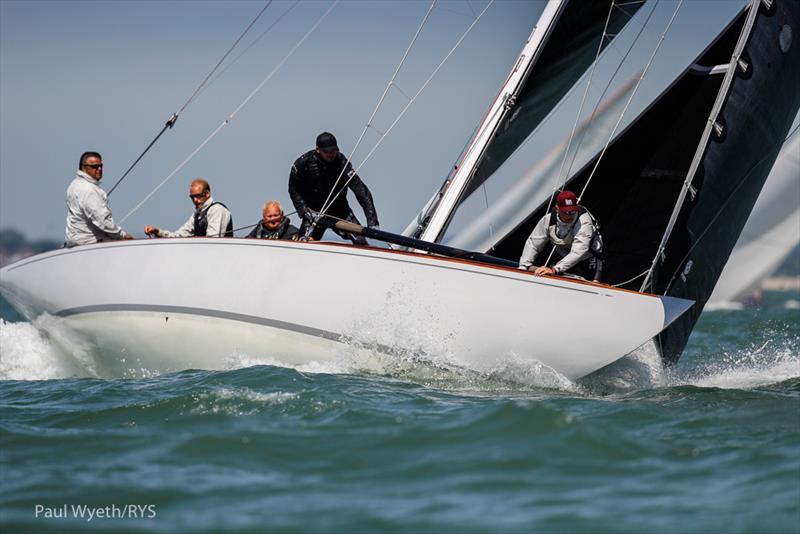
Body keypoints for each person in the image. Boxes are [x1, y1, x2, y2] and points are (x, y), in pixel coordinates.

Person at [288, 132, 379, 244]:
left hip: (340, 211)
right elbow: (293, 189)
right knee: (304, 243)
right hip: (314, 213)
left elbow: (361, 190)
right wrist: (303, 210)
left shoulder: (341, 162)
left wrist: (372, 222)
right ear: (318, 149)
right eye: (327, 152)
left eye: (334, 151)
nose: (331, 154)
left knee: (361, 242)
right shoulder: (303, 163)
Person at [518, 190, 604, 281]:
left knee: (594, 284)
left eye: (572, 211)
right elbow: (533, 244)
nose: (569, 215)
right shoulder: (548, 220)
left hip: (588, 256)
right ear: (557, 208)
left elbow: (578, 251)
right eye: (565, 212)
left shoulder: (584, 222)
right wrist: (523, 266)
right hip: (563, 254)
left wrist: (554, 269)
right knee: (549, 277)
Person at [65, 151, 134, 247]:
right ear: (83, 167)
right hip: (89, 242)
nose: (99, 169)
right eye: (94, 166)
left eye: (101, 165)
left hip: (75, 242)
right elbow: (102, 222)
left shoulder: (74, 185)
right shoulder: (88, 190)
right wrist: (123, 235)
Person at [144, 179, 233, 238]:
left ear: (207, 194)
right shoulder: (197, 215)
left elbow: (213, 240)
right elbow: (178, 236)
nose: (195, 200)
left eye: (198, 196)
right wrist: (157, 232)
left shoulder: (216, 209)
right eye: (192, 197)